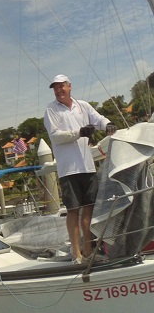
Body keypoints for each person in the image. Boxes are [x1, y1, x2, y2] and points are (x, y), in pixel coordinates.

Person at [43, 74, 114, 263]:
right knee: (73, 211)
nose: (58, 90)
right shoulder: (51, 110)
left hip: (87, 166)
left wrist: (108, 125)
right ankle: (76, 254)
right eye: (55, 88)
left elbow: (98, 119)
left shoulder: (82, 105)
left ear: (69, 86)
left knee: (89, 210)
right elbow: (56, 136)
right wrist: (80, 132)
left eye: (61, 86)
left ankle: (89, 251)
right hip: (68, 169)